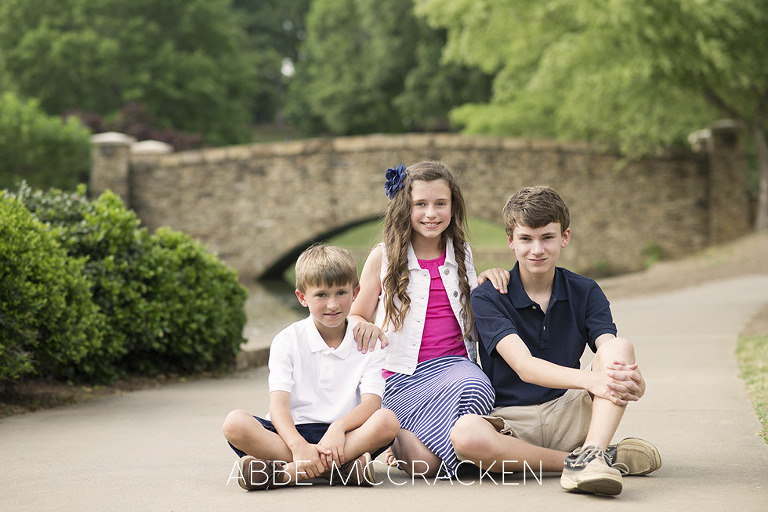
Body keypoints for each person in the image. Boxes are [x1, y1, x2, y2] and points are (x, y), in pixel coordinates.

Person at [450, 185, 661, 496]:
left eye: (547, 237)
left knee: (620, 347)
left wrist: (627, 379)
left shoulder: (585, 290)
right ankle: (590, 459)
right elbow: (523, 366)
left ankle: (591, 450)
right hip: (513, 424)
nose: (537, 249)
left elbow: (610, 351)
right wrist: (596, 381)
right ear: (511, 241)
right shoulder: (489, 295)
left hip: (569, 411)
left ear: (565, 237)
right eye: (526, 239)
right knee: (466, 434)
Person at [349, 161, 508, 479]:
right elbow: (355, 314)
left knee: (477, 387)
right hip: (399, 375)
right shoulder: (384, 257)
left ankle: (461, 449)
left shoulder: (461, 252)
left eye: (440, 204)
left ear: (453, 206)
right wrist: (361, 323)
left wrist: (487, 281)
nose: (431, 213)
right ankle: (412, 445)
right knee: (425, 466)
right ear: (404, 207)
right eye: (420, 204)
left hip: (454, 367)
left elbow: (471, 303)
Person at [222, 244, 400, 490]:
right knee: (234, 423)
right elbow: (279, 405)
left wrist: (338, 427)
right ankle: (338, 471)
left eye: (341, 293)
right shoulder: (288, 340)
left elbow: (371, 404)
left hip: (344, 435)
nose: (333, 305)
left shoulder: (368, 342)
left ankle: (286, 474)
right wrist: (297, 445)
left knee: (387, 421)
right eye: (321, 295)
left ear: (356, 292)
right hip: (289, 434)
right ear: (302, 297)